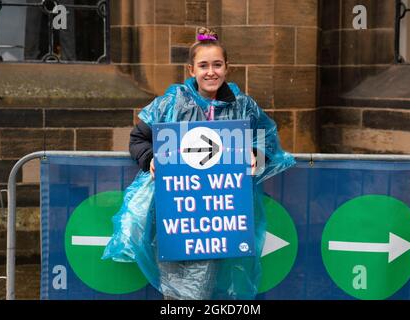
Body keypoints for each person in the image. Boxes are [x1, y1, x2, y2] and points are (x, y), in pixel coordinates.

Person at [102, 27, 296, 300]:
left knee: (216, 285)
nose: (211, 72)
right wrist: (151, 158)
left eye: (217, 65)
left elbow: (268, 140)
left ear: (227, 68)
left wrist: (256, 152)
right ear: (191, 69)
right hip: (178, 211)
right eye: (203, 65)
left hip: (221, 213)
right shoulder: (172, 102)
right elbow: (138, 139)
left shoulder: (242, 105)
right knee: (180, 284)